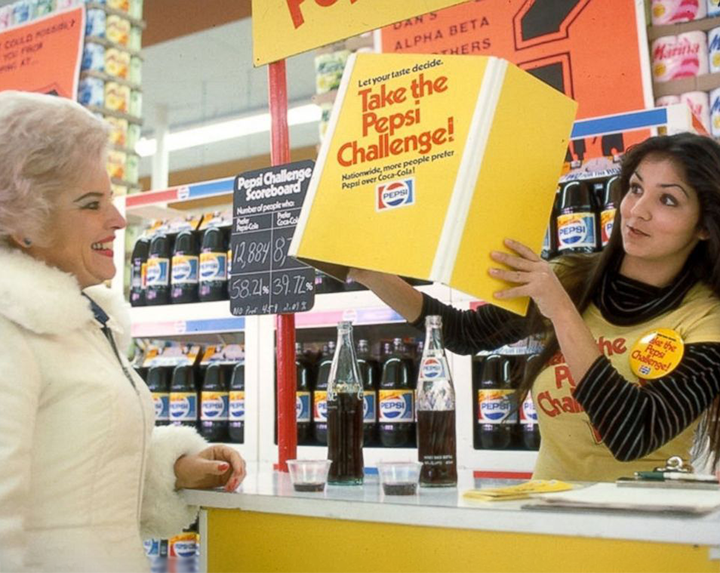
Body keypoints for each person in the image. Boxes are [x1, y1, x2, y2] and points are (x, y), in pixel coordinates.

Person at [351, 132, 720, 481]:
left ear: (704, 226)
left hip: (648, 529)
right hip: (549, 516)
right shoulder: (569, 277)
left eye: (667, 199)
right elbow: (464, 333)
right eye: (635, 188)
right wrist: (369, 273)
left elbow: (631, 434)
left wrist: (561, 310)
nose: (637, 210)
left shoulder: (707, 319)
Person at [0, 91, 246, 572]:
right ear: (24, 223)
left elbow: (74, 472)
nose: (116, 220)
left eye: (110, 200)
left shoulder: (84, 323)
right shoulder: (11, 324)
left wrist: (173, 470)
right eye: (92, 204)